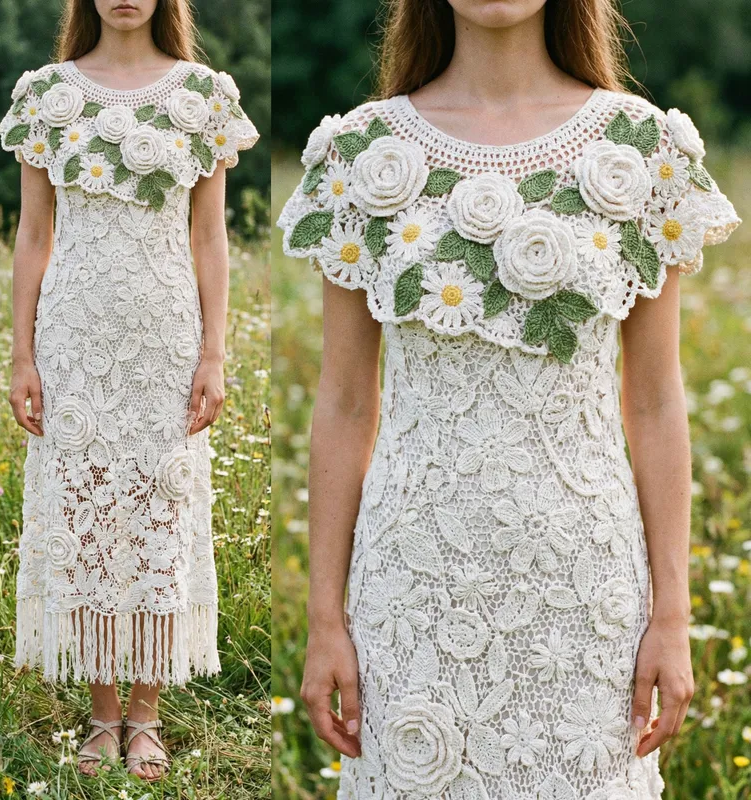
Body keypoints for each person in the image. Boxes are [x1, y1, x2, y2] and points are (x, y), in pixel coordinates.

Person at [277, 0, 741, 797]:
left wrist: (673, 616)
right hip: (411, 592)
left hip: (586, 603)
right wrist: (327, 621)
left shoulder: (642, 149)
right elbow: (347, 405)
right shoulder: (363, 152)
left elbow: (658, 404)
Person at [0, 0, 258, 781]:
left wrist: (215, 351)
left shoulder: (204, 93)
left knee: (158, 513)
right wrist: (22, 355)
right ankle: (103, 713)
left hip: (165, 341)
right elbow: (33, 234)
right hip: (73, 336)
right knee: (85, 515)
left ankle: (146, 715)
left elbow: (209, 236)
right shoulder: (48, 93)